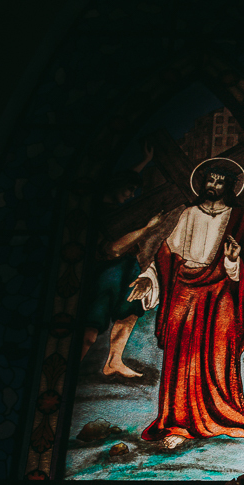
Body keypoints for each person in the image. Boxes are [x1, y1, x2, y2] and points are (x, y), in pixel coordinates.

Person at [126, 162, 244, 449]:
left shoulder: (240, 216)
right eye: (209, 181)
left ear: (229, 186)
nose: (212, 186)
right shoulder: (188, 214)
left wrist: (234, 260)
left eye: (219, 182)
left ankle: (223, 415)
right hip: (184, 290)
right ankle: (178, 423)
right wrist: (149, 279)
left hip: (222, 291)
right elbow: (167, 254)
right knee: (181, 356)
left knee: (218, 353)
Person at [81, 143, 159, 377]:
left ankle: (114, 361)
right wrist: (147, 228)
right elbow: (113, 249)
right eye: (129, 189)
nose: (131, 195)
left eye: (134, 191)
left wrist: (144, 162)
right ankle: (70, 368)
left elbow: (126, 179)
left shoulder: (119, 210)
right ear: (116, 185)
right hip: (106, 275)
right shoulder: (100, 213)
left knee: (130, 313)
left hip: (126, 272)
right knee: (91, 326)